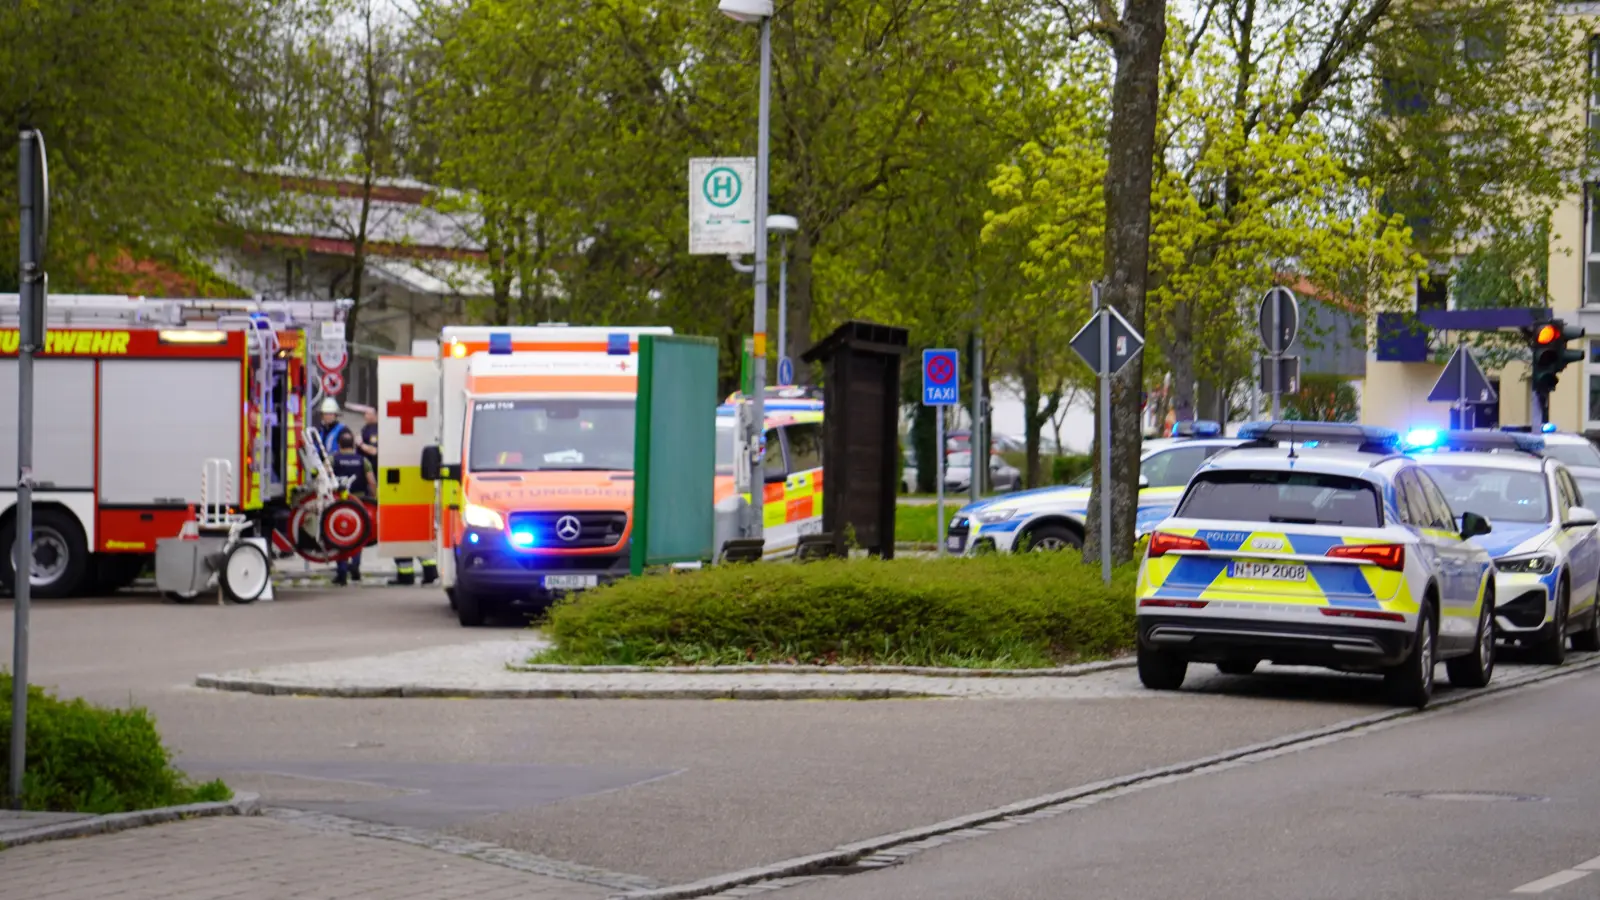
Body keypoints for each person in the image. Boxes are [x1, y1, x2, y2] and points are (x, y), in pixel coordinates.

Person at [329, 429, 374, 586]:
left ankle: (341, 572)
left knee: (339, 535)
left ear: (339, 444)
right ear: (353, 445)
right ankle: (355, 567)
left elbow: (324, 476)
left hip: (339, 502)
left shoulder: (333, 460)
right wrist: (373, 499)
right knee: (357, 535)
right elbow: (371, 482)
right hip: (358, 502)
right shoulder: (363, 461)